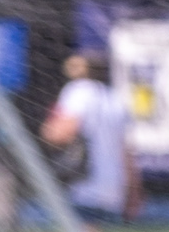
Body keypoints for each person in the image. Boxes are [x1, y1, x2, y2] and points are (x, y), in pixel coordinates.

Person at [41, 49, 140, 220]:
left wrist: (49, 126)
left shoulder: (78, 91)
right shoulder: (115, 98)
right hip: (112, 184)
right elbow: (126, 151)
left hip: (83, 182)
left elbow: (60, 134)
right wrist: (133, 188)